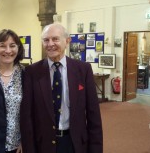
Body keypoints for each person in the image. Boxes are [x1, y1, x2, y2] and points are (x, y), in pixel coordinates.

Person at [20, 23, 103, 153]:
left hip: (74, 142)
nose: (50, 44)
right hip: (43, 144)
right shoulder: (32, 72)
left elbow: (94, 115)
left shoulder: (83, 69)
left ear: (67, 41)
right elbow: (27, 116)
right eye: (46, 40)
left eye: (55, 39)